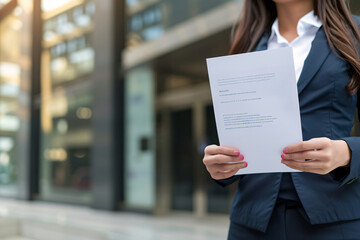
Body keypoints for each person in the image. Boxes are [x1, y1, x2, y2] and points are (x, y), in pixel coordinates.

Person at [202, 0, 360, 239]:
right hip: (252, 222)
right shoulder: (247, 45)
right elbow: (239, 135)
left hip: (333, 219)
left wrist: (346, 153)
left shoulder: (354, 35)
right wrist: (222, 163)